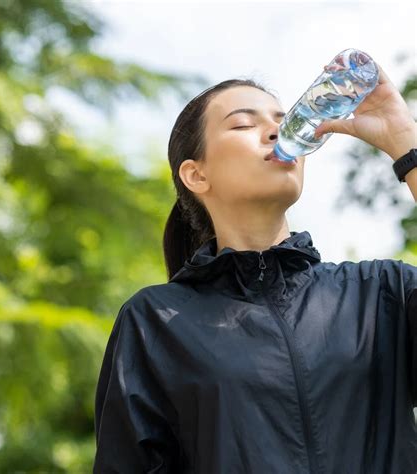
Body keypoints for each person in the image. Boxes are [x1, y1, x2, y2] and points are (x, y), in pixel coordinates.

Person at [92, 63, 417, 473]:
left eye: (286, 120)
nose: (277, 131)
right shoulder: (155, 321)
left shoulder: (381, 294)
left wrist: (407, 143)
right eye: (244, 124)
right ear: (196, 174)